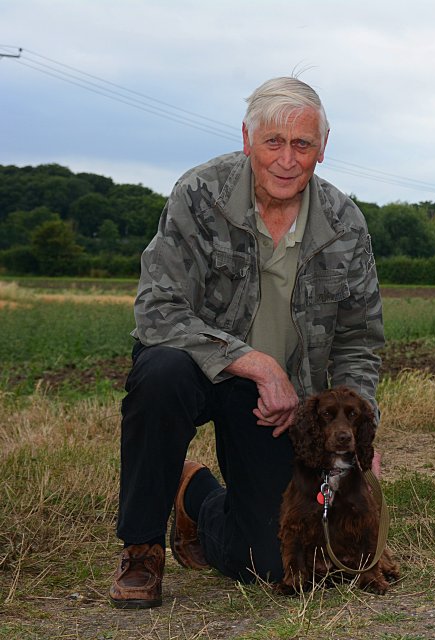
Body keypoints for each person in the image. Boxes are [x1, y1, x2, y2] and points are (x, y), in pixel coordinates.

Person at [109, 76, 384, 609]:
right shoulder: (200, 194)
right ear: (246, 139)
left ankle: (198, 500)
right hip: (195, 369)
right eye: (273, 142)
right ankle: (141, 550)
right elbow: (157, 309)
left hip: (279, 405)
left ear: (322, 149)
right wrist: (254, 362)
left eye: (302, 145)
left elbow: (358, 339)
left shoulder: (344, 224)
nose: (287, 159)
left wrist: (363, 424)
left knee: (274, 561)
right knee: (159, 373)